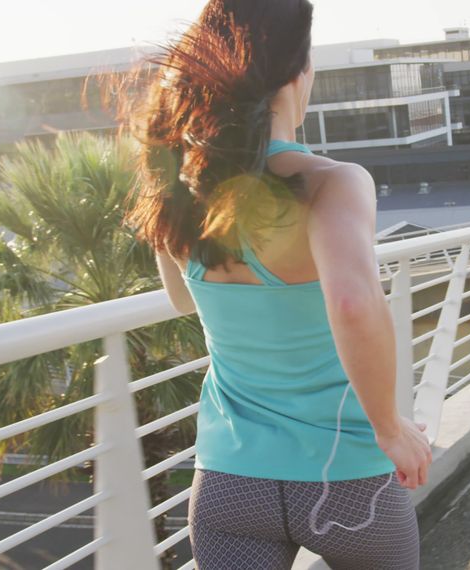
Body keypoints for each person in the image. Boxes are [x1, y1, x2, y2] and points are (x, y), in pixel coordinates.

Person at [122, 1, 432, 568]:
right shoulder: (332, 184)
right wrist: (389, 428)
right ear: (299, 73)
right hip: (348, 480)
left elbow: (182, 298)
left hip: (229, 483)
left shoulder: (184, 188)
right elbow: (350, 301)